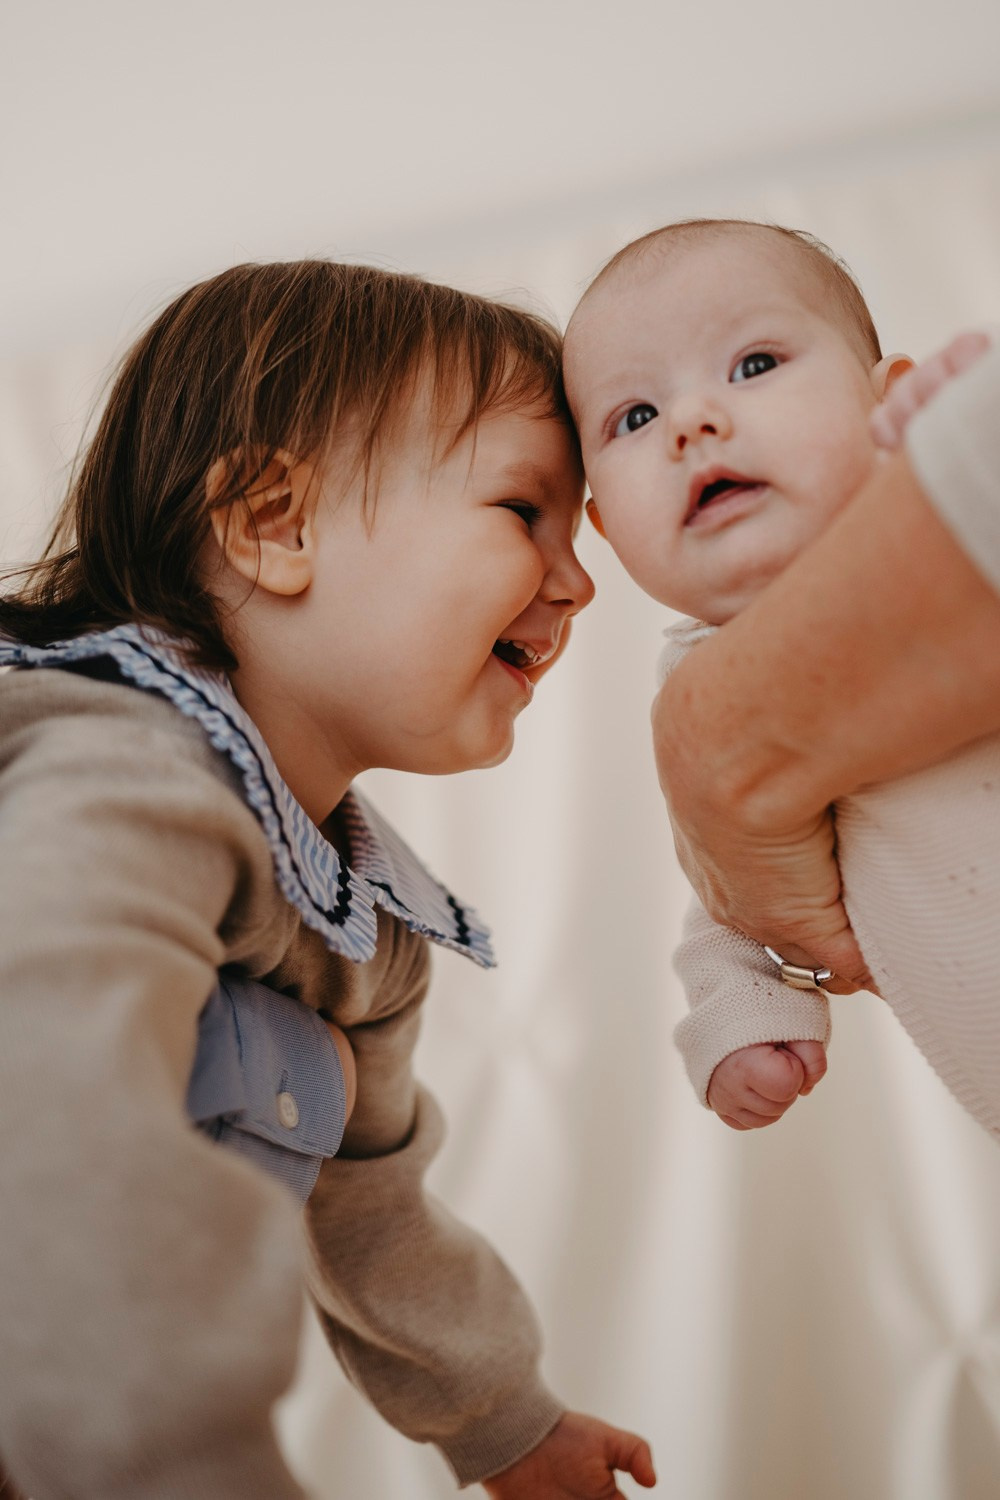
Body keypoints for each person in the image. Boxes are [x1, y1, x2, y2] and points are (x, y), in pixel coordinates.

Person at [0, 261, 657, 1499]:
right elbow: (55, 1092)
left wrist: (507, 1422)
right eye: (523, 508)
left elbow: (373, 1202)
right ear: (273, 522)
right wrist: (175, 1462)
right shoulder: (116, 769)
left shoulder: (365, 925)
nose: (576, 579)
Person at [563, 217, 1000, 1138]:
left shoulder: (939, 497)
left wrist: (953, 424)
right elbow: (729, 897)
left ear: (890, 396)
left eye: (755, 364)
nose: (691, 423)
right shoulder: (701, 675)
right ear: (604, 530)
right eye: (635, 418)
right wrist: (740, 1015)